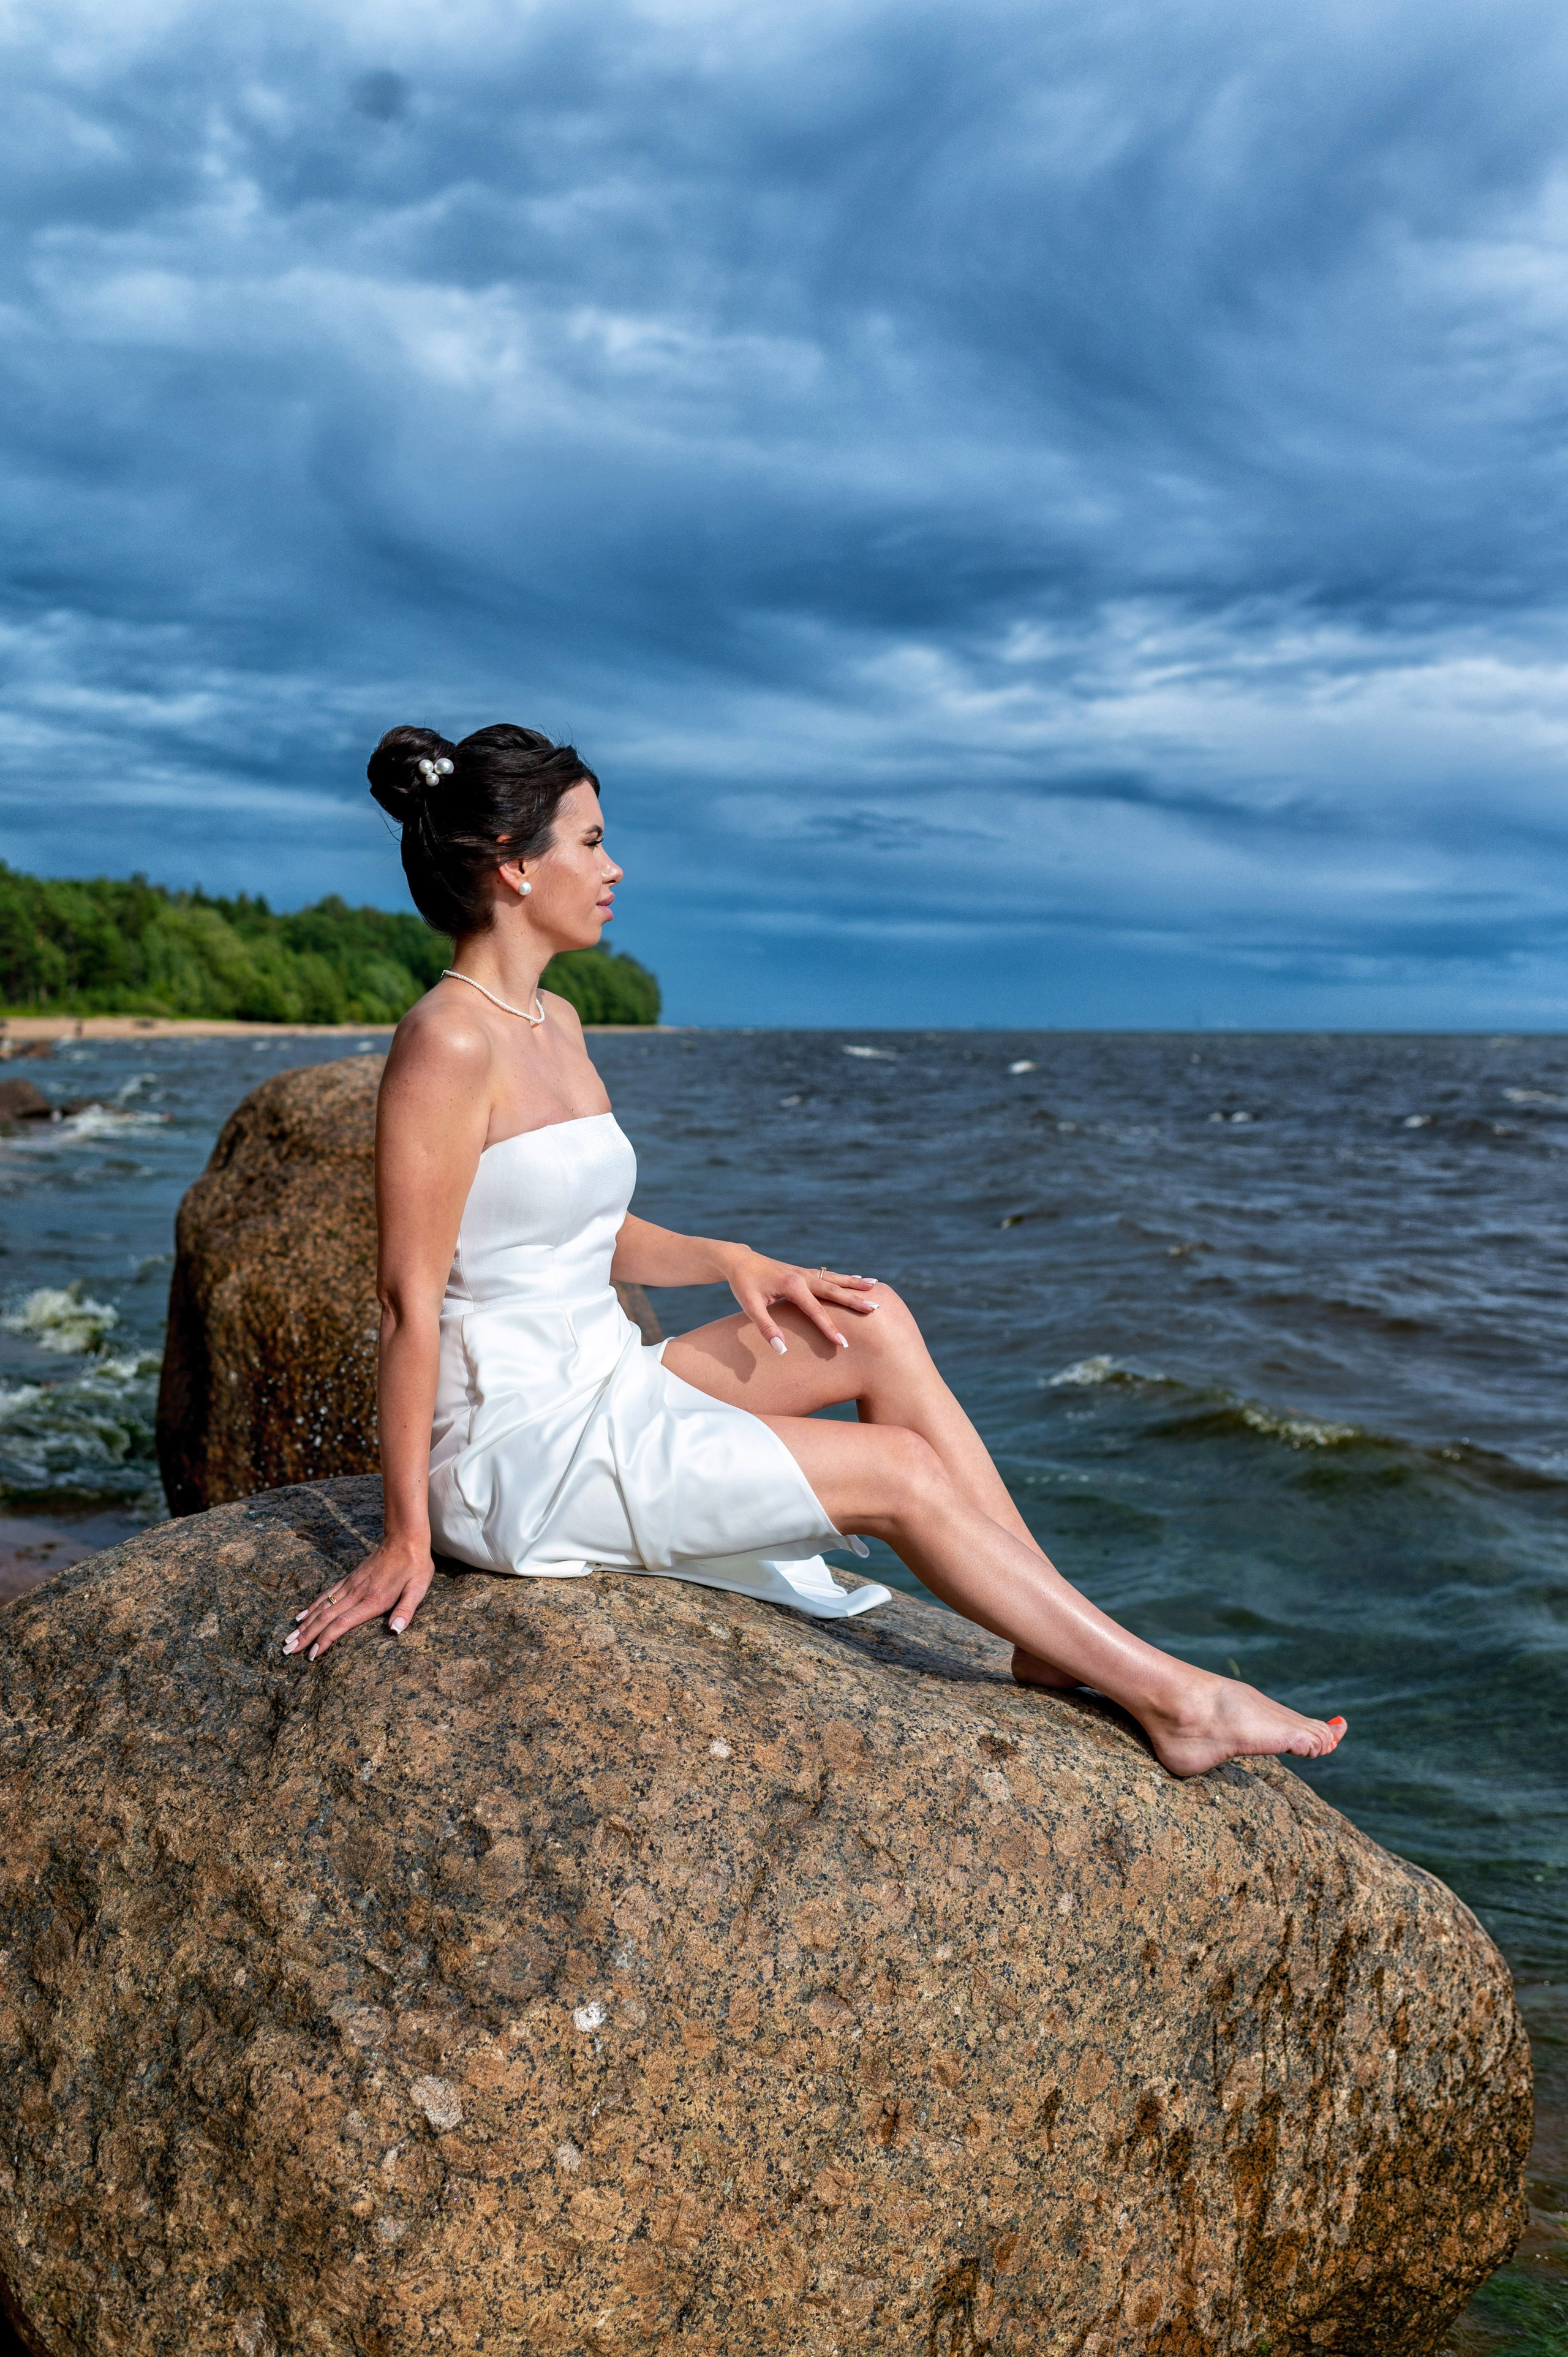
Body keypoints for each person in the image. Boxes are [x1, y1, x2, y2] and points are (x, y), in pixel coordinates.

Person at [285, 723, 1347, 1779]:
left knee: (870, 1319)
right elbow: (406, 1300)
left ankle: (1047, 1632)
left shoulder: (555, 1020)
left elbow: (578, 1231)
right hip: (521, 1448)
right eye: (593, 842)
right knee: (897, 1472)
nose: (616, 870)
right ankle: (1181, 1703)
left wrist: (733, 1258)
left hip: (608, 1380)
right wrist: (406, 1534)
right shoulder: (447, 1039)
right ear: (515, 866)